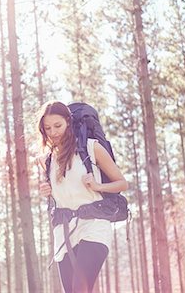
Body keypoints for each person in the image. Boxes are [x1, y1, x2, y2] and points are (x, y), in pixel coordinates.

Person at [36, 101, 128, 293]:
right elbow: (63, 194)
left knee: (80, 288)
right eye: (48, 128)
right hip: (64, 231)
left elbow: (122, 183)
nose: (53, 132)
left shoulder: (91, 147)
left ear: (68, 122)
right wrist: (47, 190)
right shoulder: (47, 160)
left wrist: (97, 186)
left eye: (58, 126)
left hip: (94, 225)